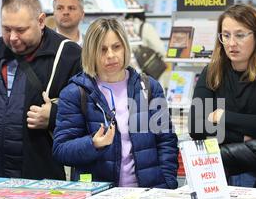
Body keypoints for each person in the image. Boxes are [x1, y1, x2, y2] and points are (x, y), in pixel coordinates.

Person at [0, 0, 82, 180]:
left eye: (21, 30)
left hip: (38, 178)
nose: (13, 37)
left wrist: (55, 115)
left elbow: (89, 110)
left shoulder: (67, 54)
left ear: (40, 21)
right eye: (6, 29)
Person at [52, 18, 178, 189]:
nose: (110, 55)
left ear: (125, 47)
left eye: (116, 47)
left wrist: (167, 184)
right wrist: (93, 144)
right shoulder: (75, 93)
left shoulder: (148, 87)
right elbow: (61, 150)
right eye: (102, 49)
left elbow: (166, 141)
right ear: (90, 52)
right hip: (98, 197)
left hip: (148, 195)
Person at [189, 4, 256, 188]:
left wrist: (220, 116)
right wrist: (242, 136)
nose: (231, 43)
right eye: (225, 35)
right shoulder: (212, 72)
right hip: (218, 173)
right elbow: (196, 126)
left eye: (240, 35)